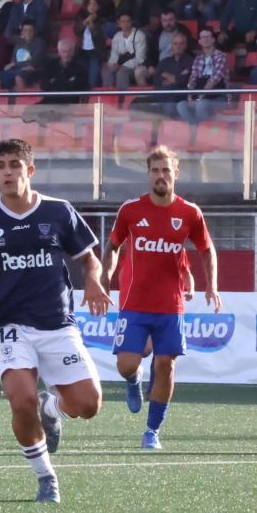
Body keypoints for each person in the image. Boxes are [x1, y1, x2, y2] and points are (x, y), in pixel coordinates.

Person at [0, 138, 110, 503]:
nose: (8, 172)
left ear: (29, 170)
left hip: (57, 324)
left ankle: (50, 407)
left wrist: (94, 282)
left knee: (89, 406)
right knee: (20, 400)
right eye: (1, 165)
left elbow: (89, 260)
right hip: (10, 327)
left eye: (15, 165)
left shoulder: (59, 211)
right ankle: (46, 477)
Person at [102, 145, 219, 449]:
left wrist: (211, 285)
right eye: (155, 170)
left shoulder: (189, 213)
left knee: (165, 365)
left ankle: (152, 431)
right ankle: (132, 380)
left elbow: (206, 250)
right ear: (148, 175)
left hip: (171, 305)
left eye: (166, 170)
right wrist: (105, 277)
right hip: (134, 303)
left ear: (175, 174)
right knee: (126, 364)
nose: (161, 175)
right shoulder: (130, 210)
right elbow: (113, 245)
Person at [177, 28, 229, 124]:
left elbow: (215, 79)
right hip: (200, 97)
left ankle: (200, 132)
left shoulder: (221, 56)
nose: (205, 39)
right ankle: (195, 129)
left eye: (208, 37)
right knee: (181, 105)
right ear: (199, 41)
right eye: (202, 37)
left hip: (218, 97)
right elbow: (192, 81)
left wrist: (199, 98)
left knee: (201, 105)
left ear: (213, 39)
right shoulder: (197, 60)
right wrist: (190, 98)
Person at [103, 10, 147, 89]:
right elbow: (114, 54)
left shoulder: (139, 35)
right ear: (119, 23)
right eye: (123, 21)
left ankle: (123, 98)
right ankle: (110, 99)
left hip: (135, 66)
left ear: (131, 22)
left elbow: (140, 58)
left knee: (121, 73)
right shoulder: (117, 36)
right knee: (107, 72)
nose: (125, 24)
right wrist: (113, 64)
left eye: (128, 21)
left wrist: (121, 66)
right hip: (120, 65)